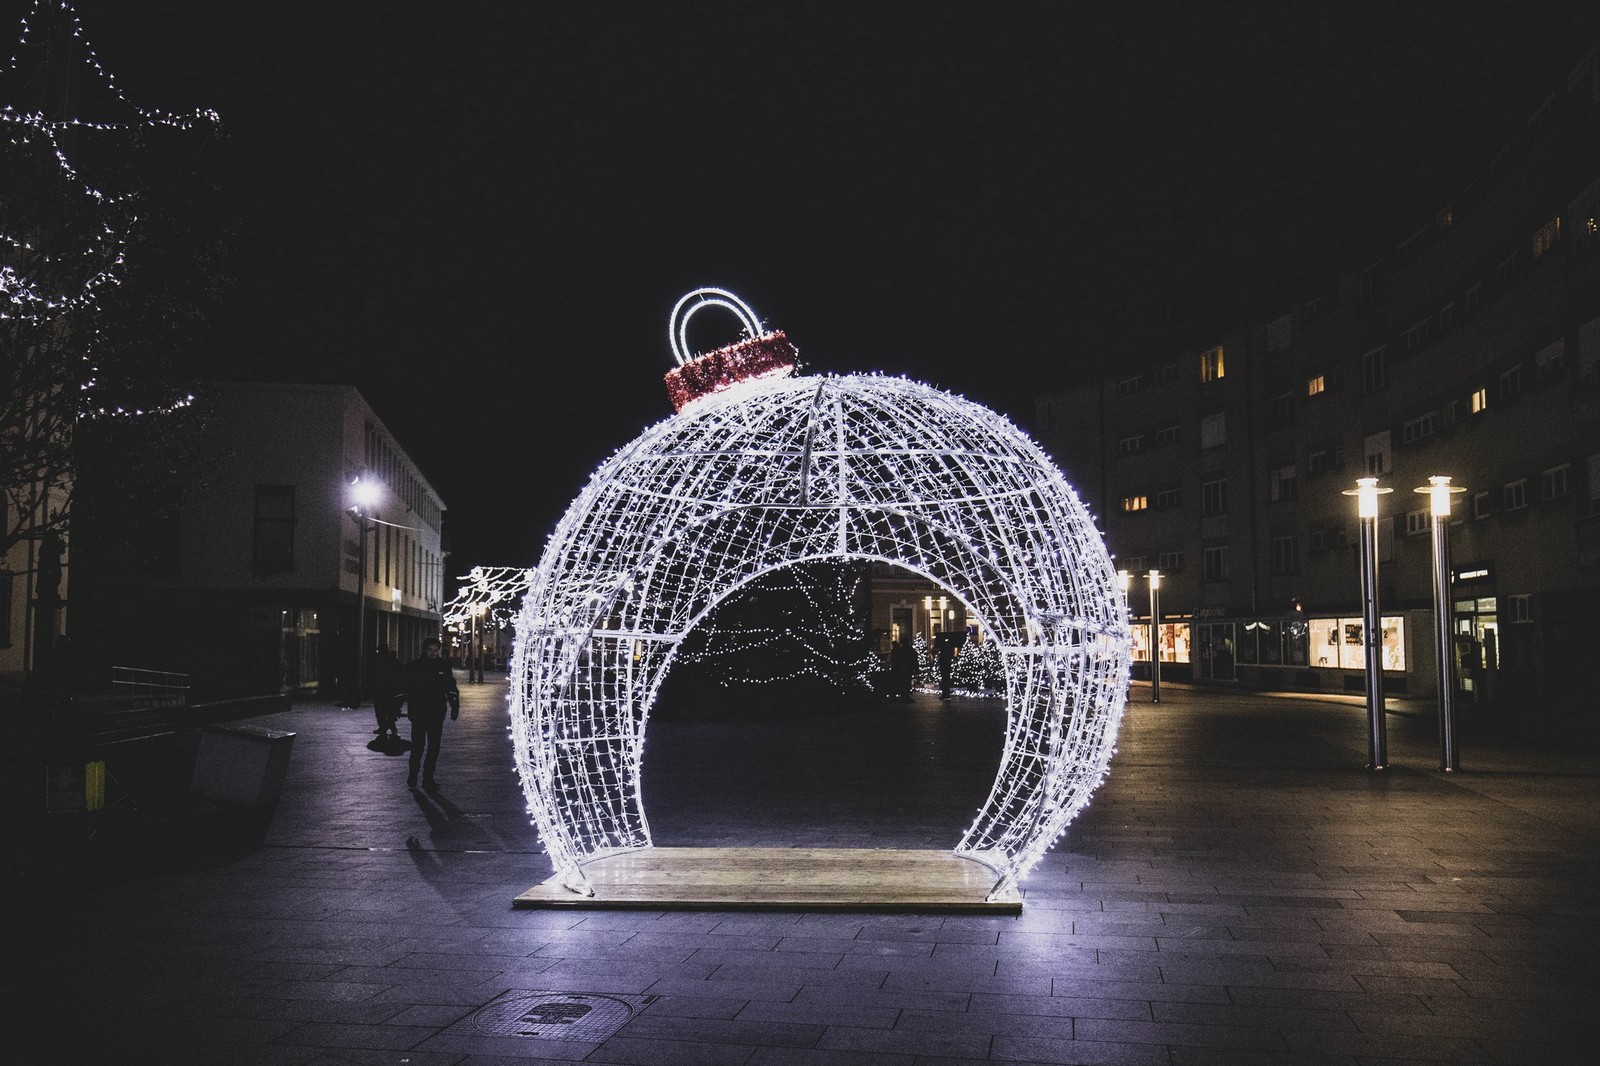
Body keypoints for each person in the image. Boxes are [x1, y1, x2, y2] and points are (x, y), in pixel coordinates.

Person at [404, 637, 459, 789]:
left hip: (435, 712)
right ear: (424, 650)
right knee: (418, 746)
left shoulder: (443, 667)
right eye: (430, 650)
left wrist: (455, 706)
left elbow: (451, 688)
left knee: (433, 747)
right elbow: (404, 687)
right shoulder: (415, 667)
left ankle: (428, 777)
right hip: (419, 712)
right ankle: (413, 775)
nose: (433, 653)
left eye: (436, 650)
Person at [370, 645, 404, 738]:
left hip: (382, 690)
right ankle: (392, 728)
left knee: (381, 711)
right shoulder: (394, 662)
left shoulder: (378, 661)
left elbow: (373, 675)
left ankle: (384, 727)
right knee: (390, 711)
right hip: (391, 690)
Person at [936, 632, 955, 700]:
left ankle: (946, 694)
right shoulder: (948, 648)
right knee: (945, 680)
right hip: (946, 665)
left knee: (945, 680)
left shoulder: (945, 649)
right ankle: (946, 693)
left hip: (945, 666)